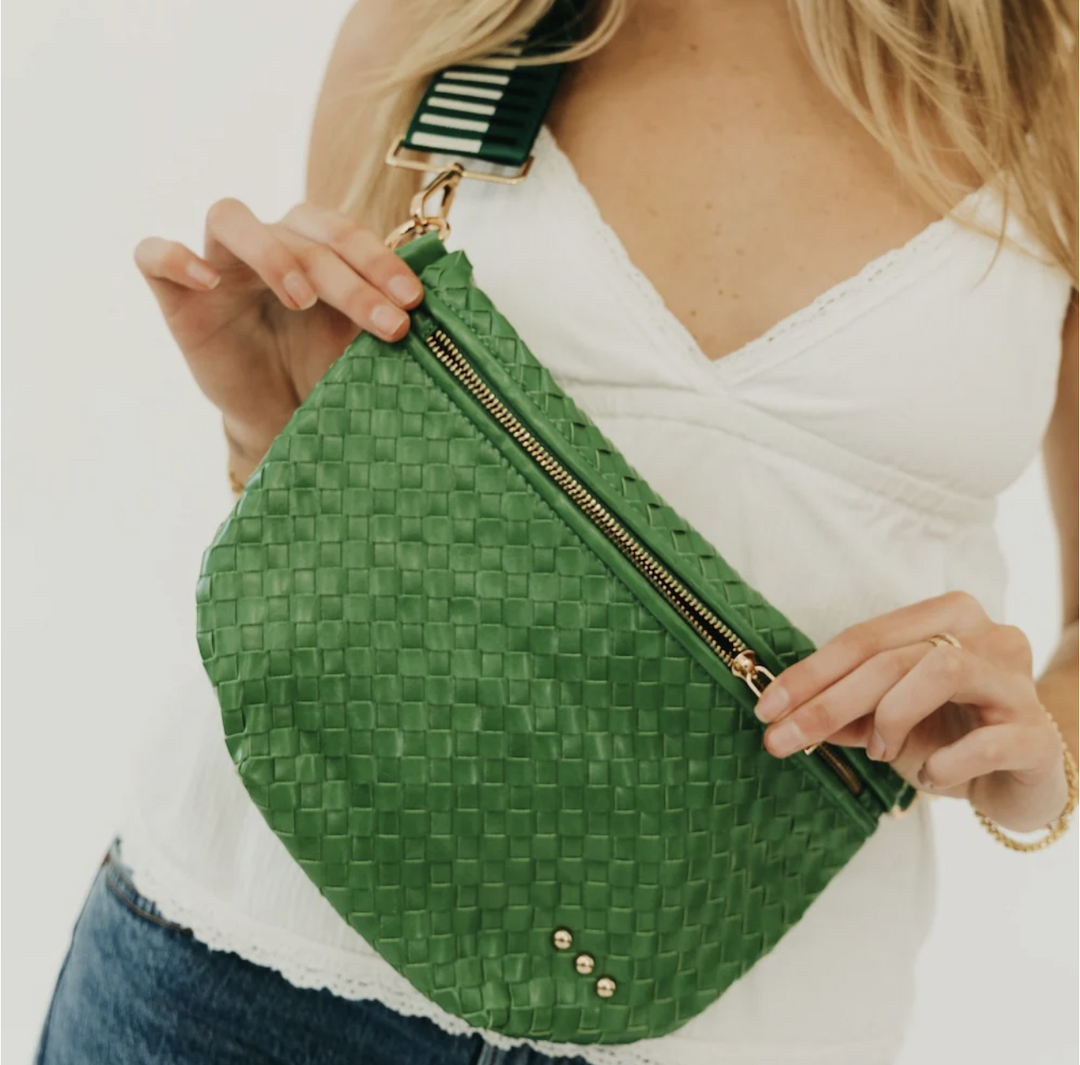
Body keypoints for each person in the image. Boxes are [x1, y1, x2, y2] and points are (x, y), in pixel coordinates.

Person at [35, 2, 1078, 1063]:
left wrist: (1041, 741)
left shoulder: (1059, 91)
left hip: (751, 1026)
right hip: (245, 978)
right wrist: (268, 431)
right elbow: (331, 525)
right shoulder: (461, 22)